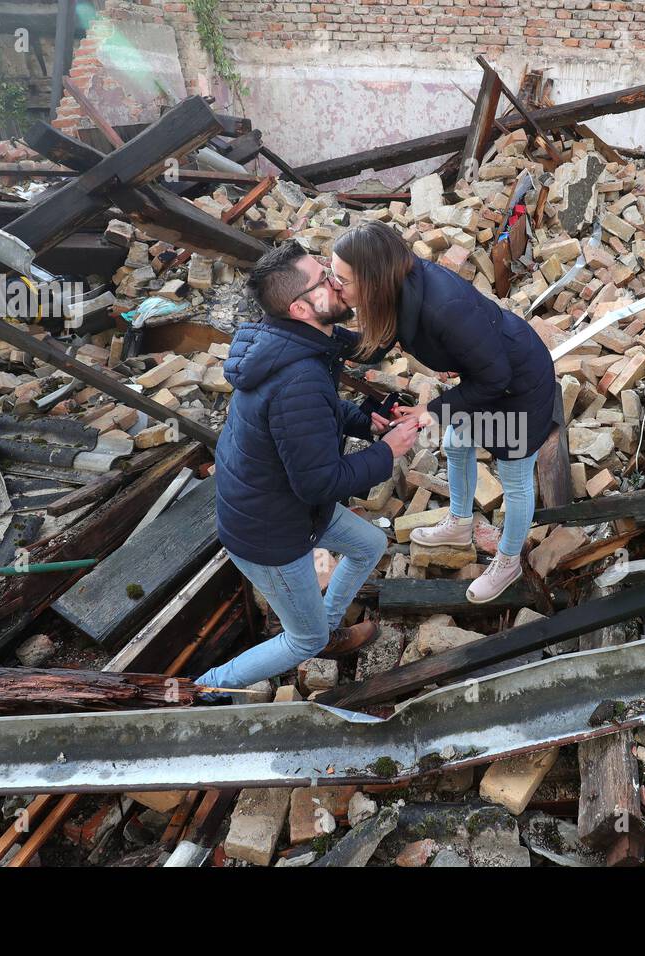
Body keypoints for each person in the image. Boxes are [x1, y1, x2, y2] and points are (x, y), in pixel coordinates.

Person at [197, 242, 420, 696]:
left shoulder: (289, 342)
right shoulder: (297, 379)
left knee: (369, 544)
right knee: (303, 638)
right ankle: (204, 690)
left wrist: (363, 419)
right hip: (272, 535)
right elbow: (321, 481)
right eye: (324, 278)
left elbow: (315, 413)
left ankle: (328, 627)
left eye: (326, 268)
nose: (336, 280)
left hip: (279, 505)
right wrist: (389, 450)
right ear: (300, 307)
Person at [331, 221, 557, 604]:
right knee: (455, 442)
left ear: (372, 279)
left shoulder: (442, 306)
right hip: (485, 375)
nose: (337, 288)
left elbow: (496, 376)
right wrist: (315, 332)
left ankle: (508, 560)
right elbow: (376, 345)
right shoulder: (398, 290)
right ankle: (459, 522)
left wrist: (433, 409)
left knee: (515, 476)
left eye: (343, 280)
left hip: (518, 385)